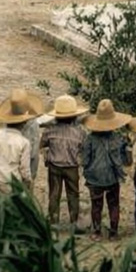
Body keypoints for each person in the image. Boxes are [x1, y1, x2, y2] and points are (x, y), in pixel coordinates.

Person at [80, 99, 131, 241]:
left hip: (94, 177)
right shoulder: (118, 138)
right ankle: (113, 233)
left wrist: (87, 167)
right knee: (113, 204)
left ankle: (96, 232)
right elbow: (124, 160)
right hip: (113, 177)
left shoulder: (90, 139)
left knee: (96, 204)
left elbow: (84, 160)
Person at [41, 94, 88, 229]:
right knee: (73, 194)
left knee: (54, 194)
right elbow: (83, 148)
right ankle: (74, 221)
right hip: (72, 167)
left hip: (54, 166)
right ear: (74, 116)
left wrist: (47, 154)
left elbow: (42, 144)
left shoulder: (50, 130)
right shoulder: (80, 132)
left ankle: (53, 222)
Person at [0, 91, 35, 195]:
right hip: (14, 182)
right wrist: (28, 183)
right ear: (24, 123)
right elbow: (25, 170)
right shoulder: (24, 142)